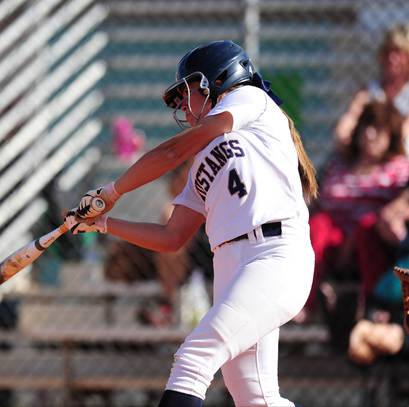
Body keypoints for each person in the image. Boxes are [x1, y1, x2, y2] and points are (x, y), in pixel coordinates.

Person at [63, 40, 317, 407]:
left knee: (193, 360)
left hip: (275, 254)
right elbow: (172, 236)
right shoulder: (203, 157)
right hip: (232, 265)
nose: (183, 105)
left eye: (186, 92)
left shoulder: (249, 99)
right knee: (256, 399)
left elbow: (170, 151)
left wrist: (110, 191)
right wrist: (103, 222)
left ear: (217, 80)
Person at [297, 102, 409, 326]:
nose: (369, 134)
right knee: (318, 224)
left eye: (378, 129)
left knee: (366, 227)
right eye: (366, 127)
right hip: (333, 243)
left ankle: (370, 306)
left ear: (391, 135)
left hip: (370, 242)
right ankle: (304, 302)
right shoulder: (339, 165)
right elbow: (318, 201)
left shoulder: (399, 168)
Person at [334, 25, 409, 157]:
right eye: (388, 51)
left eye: (398, 52)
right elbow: (343, 131)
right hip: (372, 161)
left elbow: (404, 135)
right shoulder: (368, 92)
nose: (392, 58)